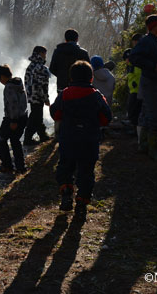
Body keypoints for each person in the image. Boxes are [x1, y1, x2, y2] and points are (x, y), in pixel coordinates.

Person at [50, 60, 112, 219]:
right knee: (86, 172)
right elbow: (106, 117)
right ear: (91, 78)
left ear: (71, 77)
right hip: (89, 140)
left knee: (65, 167)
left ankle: (66, 192)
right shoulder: (96, 95)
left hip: (68, 139)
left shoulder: (65, 93)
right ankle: (82, 203)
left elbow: (55, 113)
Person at [128, 14, 157, 162]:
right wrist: (153, 66)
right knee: (156, 117)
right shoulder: (147, 41)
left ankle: (143, 145)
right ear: (153, 27)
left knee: (148, 114)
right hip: (151, 83)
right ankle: (154, 150)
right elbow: (134, 57)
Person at [0, 65, 28, 172]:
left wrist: (13, 121)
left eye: (0, 78)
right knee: (15, 140)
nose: (0, 81)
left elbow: (13, 104)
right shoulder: (18, 83)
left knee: (1, 139)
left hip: (12, 119)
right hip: (23, 116)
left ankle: (7, 165)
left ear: (3, 76)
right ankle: (20, 167)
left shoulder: (9, 87)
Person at [23, 46, 52, 145]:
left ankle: (42, 135)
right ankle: (27, 139)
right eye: (44, 54)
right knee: (35, 117)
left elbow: (27, 82)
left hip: (32, 95)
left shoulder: (31, 66)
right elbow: (42, 85)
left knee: (37, 116)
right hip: (38, 96)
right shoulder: (40, 68)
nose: (45, 56)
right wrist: (46, 98)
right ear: (40, 54)